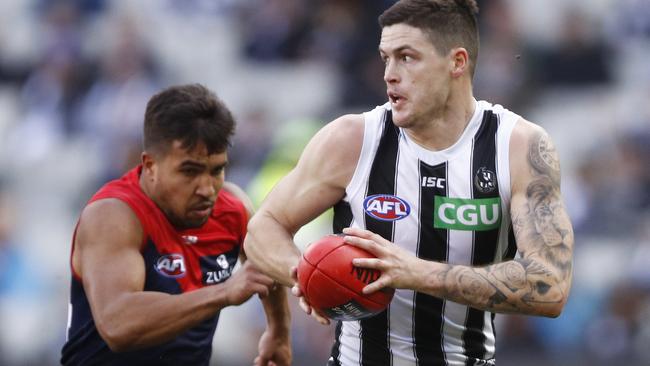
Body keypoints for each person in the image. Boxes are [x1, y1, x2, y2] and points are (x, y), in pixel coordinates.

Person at [243, 1, 574, 365]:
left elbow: (551, 286)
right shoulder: (352, 140)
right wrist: (306, 275)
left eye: (407, 57)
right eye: (386, 58)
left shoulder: (518, 147)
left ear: (457, 63)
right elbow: (263, 228)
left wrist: (416, 273)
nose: (389, 74)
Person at [60, 84, 291, 366]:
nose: (207, 188)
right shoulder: (114, 215)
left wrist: (278, 331)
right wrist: (224, 292)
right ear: (151, 165)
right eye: (189, 171)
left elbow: (264, 269)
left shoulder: (232, 209)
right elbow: (117, 325)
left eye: (217, 169)